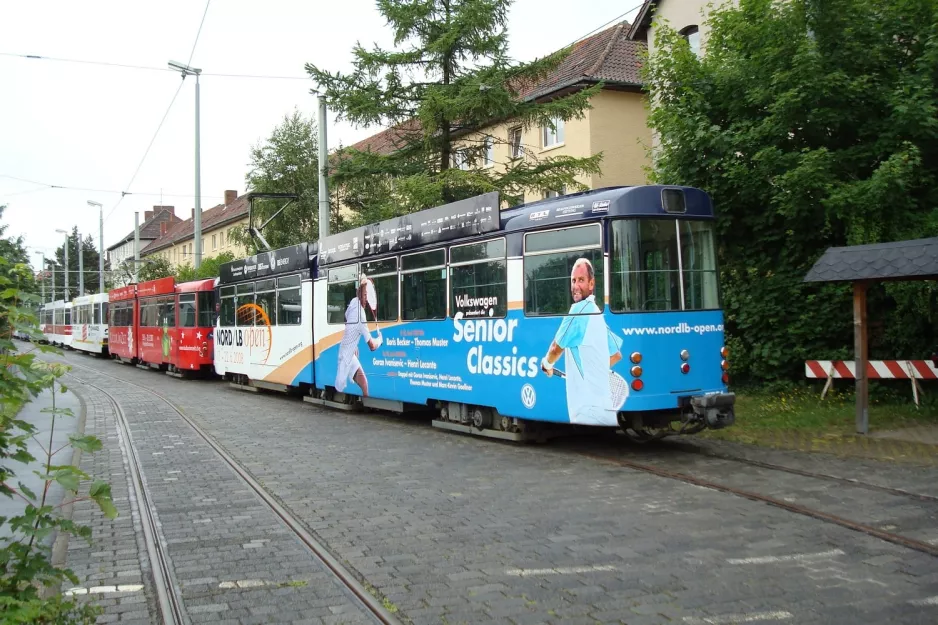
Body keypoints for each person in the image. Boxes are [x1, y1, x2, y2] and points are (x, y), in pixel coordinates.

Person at [540, 258, 623, 425]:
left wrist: (546, 364)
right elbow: (615, 355)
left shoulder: (579, 311)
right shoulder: (595, 313)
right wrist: (594, 374)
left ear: (591, 284)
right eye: (573, 280)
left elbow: (556, 348)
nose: (576, 286)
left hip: (587, 409)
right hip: (603, 408)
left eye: (581, 280)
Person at [335, 275, 382, 396]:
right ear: (359, 293)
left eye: (367, 295)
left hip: (347, 352)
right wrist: (380, 340)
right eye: (364, 295)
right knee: (340, 385)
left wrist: (353, 343)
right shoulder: (361, 316)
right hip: (346, 357)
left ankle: (366, 404)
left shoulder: (353, 301)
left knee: (364, 384)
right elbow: (372, 346)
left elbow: (346, 317)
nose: (366, 298)